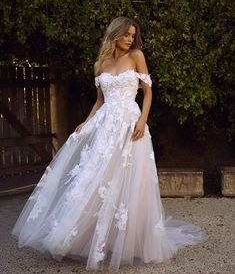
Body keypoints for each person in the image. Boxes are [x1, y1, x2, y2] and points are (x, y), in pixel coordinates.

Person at [12, 16, 208, 271]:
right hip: (105, 125)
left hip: (130, 124)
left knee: (127, 180)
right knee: (96, 178)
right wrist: (86, 122)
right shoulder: (100, 63)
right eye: (126, 34)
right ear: (115, 34)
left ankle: (127, 241)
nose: (129, 39)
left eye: (132, 35)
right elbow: (99, 101)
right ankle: (85, 236)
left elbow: (148, 92)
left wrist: (142, 121)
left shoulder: (137, 56)